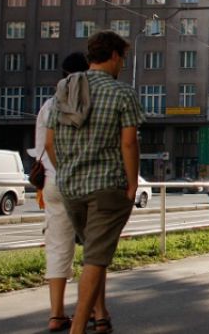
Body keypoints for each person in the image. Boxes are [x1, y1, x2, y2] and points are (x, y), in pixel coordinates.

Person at [45, 31, 144, 334]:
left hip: (71, 186)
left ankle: (101, 317)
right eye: (122, 59)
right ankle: (78, 327)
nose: (122, 65)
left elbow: (49, 142)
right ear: (114, 56)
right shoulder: (121, 92)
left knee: (93, 254)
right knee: (96, 258)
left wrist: (66, 172)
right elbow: (128, 144)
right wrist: (131, 184)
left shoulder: (64, 87)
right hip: (107, 186)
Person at [36, 52, 90, 332]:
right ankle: (94, 310)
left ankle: (56, 314)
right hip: (83, 181)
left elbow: (41, 147)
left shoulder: (48, 105)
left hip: (53, 181)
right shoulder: (88, 102)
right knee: (94, 248)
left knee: (57, 247)